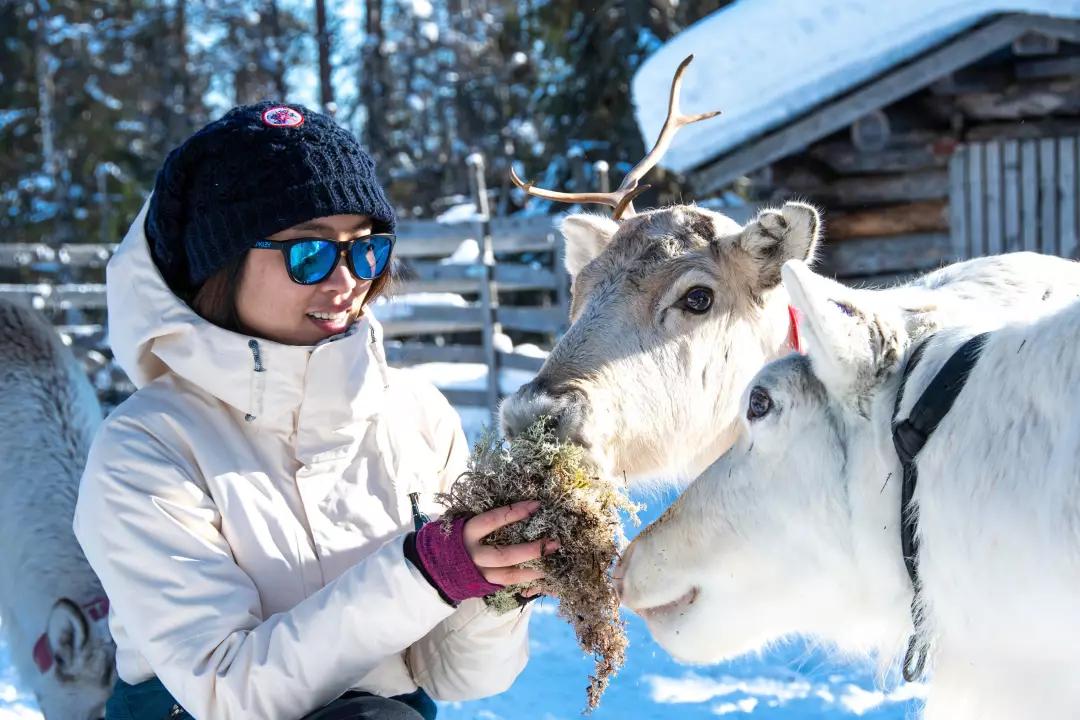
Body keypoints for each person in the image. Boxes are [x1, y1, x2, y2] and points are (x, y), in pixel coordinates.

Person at [73, 102, 557, 720]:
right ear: (219, 264)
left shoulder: (416, 416)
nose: (347, 282)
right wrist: (423, 573)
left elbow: (460, 676)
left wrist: (494, 579)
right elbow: (227, 691)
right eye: (309, 253)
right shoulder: (148, 448)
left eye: (366, 251)